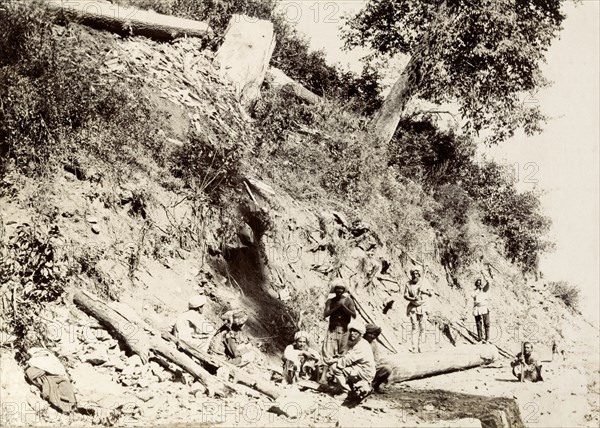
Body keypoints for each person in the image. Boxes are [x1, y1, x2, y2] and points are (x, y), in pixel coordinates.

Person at [328, 319, 375, 399]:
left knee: (335, 368)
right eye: (352, 331)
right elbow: (348, 356)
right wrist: (338, 358)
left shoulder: (362, 345)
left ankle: (345, 392)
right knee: (339, 366)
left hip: (364, 372)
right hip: (360, 368)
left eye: (356, 332)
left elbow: (348, 359)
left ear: (361, 335)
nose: (352, 334)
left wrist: (334, 361)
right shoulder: (357, 343)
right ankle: (341, 388)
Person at [322, 279, 357, 364]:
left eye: (341, 289)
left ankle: (336, 371)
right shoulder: (330, 301)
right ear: (334, 290)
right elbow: (325, 314)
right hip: (332, 329)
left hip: (344, 329)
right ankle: (326, 371)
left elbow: (354, 315)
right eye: (337, 288)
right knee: (328, 351)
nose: (339, 291)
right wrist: (336, 308)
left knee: (342, 351)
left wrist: (344, 307)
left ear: (344, 290)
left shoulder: (348, 301)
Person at [404, 269, 432, 353]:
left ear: (419, 274)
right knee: (414, 327)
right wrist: (412, 298)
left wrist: (424, 291)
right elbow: (405, 295)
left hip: (423, 306)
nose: (415, 275)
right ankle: (414, 347)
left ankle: (421, 346)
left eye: (416, 274)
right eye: (413, 274)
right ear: (411, 275)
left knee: (423, 327)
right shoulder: (408, 284)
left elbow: (431, 294)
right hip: (413, 306)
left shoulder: (424, 282)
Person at [363, 323, 392, 392]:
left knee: (387, 369)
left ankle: (376, 386)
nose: (372, 336)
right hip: (360, 367)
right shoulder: (358, 342)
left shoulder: (374, 344)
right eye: (370, 334)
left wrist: (372, 366)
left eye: (375, 335)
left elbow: (376, 359)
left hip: (370, 367)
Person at [471, 278, 491, 343]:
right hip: (477, 307)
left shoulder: (484, 290)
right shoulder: (474, 291)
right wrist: (477, 291)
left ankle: (487, 338)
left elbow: (487, 286)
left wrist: (487, 281)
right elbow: (473, 296)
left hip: (484, 307)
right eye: (478, 283)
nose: (479, 285)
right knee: (478, 324)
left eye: (480, 283)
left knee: (486, 323)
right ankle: (480, 338)